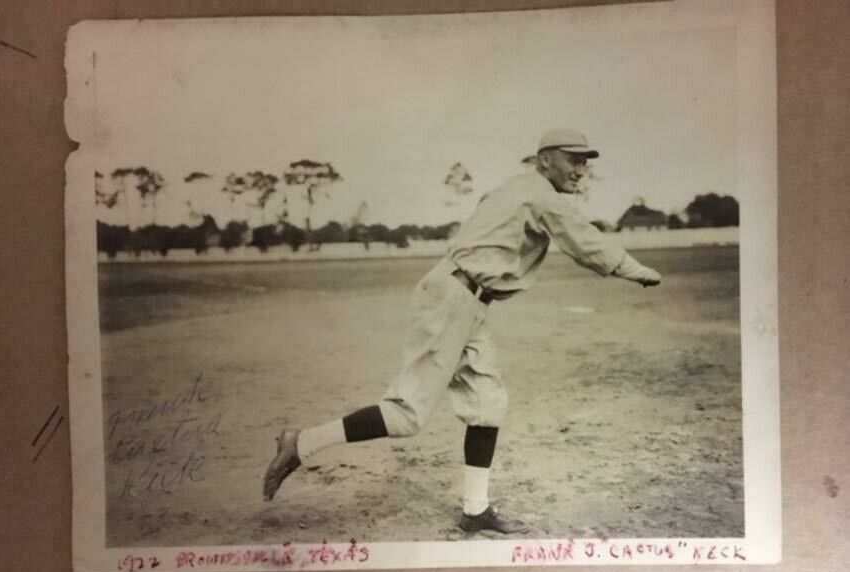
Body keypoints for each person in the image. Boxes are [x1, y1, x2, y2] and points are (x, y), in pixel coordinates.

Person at [263, 128, 661, 534]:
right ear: (545, 160)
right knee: (406, 415)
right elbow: (586, 244)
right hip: (454, 297)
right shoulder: (538, 193)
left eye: (585, 161)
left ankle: (475, 509)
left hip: (469, 300)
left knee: (487, 404)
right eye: (573, 159)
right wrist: (637, 271)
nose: (581, 169)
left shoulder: (517, 189)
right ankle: (302, 443)